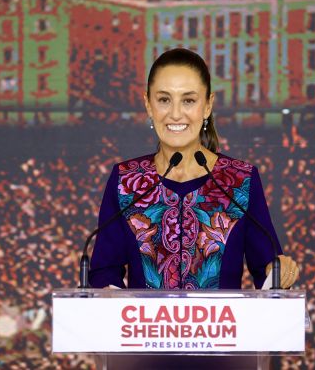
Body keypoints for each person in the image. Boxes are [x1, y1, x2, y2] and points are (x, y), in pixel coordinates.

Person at [89, 48, 300, 290]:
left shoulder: (240, 180)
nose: (176, 113)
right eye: (164, 100)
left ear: (207, 105)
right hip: (145, 327)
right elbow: (104, 271)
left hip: (223, 328)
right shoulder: (126, 180)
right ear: (148, 104)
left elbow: (267, 270)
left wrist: (279, 272)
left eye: (188, 100)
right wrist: (108, 291)